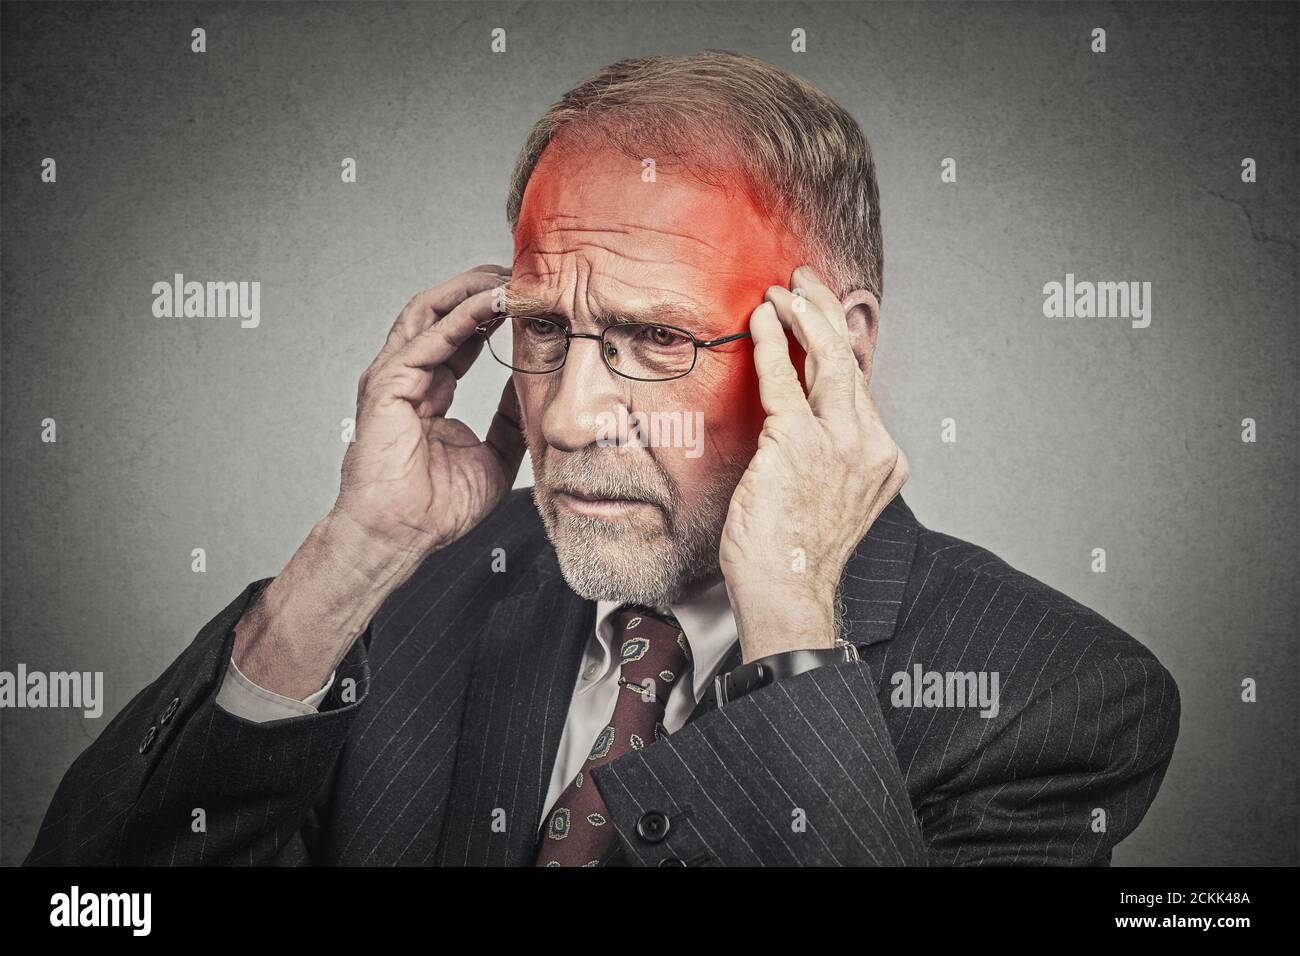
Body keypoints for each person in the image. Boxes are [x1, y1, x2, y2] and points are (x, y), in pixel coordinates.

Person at [25, 50, 1178, 867]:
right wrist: (351, 557)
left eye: (659, 338)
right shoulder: (396, 593)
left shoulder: (1054, 698)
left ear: (835, 347)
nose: (571, 415)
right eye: (543, 329)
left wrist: (788, 627)